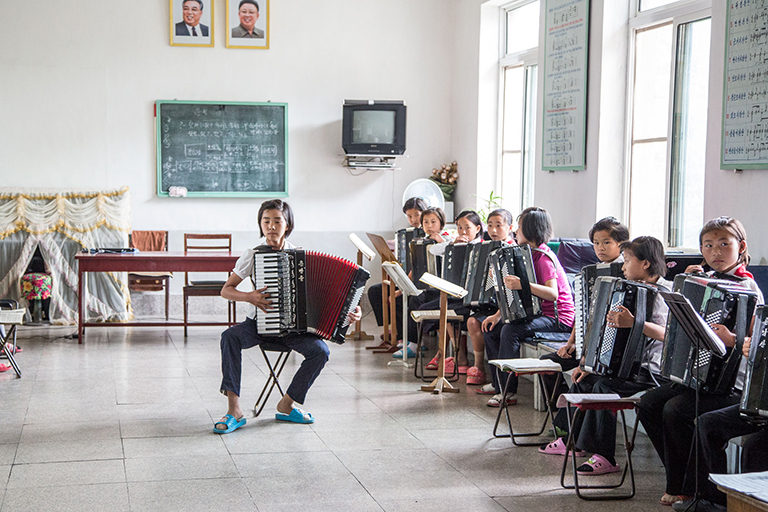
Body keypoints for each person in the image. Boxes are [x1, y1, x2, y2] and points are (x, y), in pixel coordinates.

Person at [637, 216, 764, 506]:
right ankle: (681, 478)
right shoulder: (703, 279)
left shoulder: (749, 288)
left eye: (724, 244)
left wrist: (731, 338)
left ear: (740, 247)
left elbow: (755, 341)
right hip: (699, 376)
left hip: (732, 383)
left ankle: (701, 490)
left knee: (677, 410)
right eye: (708, 245)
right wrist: (686, 284)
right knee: (649, 403)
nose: (716, 251)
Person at [214, 199, 361, 434]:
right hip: (258, 326)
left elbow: (326, 299)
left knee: (320, 352)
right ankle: (234, 410)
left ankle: (287, 403)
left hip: (293, 330)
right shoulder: (253, 254)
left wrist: (350, 312)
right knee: (229, 337)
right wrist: (250, 296)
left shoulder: (300, 257)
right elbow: (226, 290)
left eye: (277, 221)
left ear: (287, 225)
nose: (271, 226)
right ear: (260, 225)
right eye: (266, 221)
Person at [539, 236, 671, 475]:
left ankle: (605, 456)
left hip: (652, 370)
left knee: (603, 387)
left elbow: (668, 335)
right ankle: (573, 441)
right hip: (629, 366)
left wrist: (635, 323)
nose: (622, 267)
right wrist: (588, 363)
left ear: (645, 264)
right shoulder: (631, 288)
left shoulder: (664, 294)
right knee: (584, 379)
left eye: (628, 260)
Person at [481, 207, 575, 406]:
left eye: (520, 227)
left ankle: (508, 391)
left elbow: (552, 293)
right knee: (491, 329)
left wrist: (522, 284)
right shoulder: (526, 254)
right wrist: (498, 314)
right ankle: (499, 383)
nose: (516, 232)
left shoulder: (543, 258)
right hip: (537, 314)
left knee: (510, 331)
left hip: (558, 318)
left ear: (532, 230)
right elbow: (517, 293)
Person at [539, 216, 629, 408]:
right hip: (586, 344)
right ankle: (561, 411)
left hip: (608, 352)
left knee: (588, 379)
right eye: (596, 243)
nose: (600, 248)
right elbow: (583, 315)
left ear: (621, 245)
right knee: (546, 363)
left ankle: (568, 421)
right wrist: (571, 342)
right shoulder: (592, 272)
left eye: (606, 242)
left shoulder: (626, 273)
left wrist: (588, 357)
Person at [367, 197, 427, 352]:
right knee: (375, 291)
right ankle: (393, 329)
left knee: (400, 298)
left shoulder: (428, 235)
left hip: (418, 283)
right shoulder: (406, 234)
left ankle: (407, 337)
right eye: (409, 216)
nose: (413, 219)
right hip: (405, 278)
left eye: (416, 215)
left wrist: (401, 289)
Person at [468, 209, 516, 386]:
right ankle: (486, 374)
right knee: (476, 322)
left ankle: (500, 383)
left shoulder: (512, 250)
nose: (493, 230)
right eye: (490, 226)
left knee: (490, 327)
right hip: (493, 304)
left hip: (506, 306)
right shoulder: (486, 248)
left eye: (498, 226)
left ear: (510, 227)